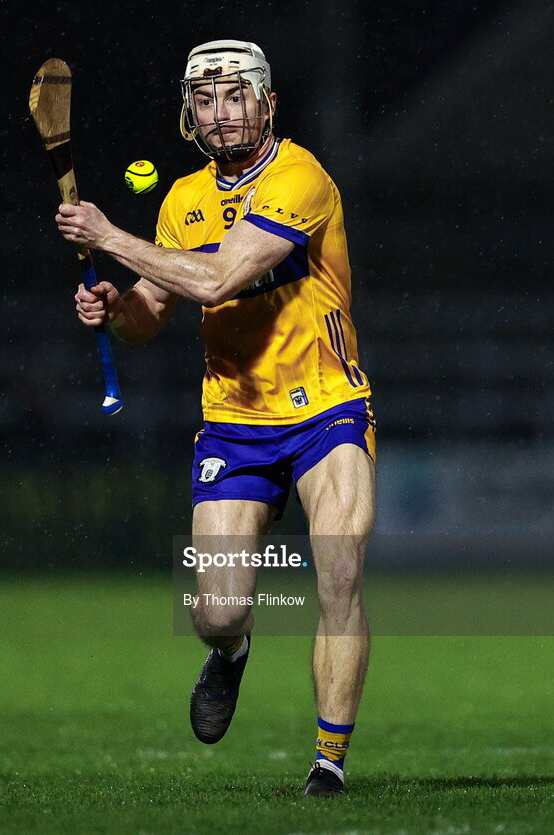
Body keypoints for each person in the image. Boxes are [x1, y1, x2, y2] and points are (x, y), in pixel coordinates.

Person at [58, 40, 375, 797]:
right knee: (216, 611)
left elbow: (220, 277)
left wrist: (106, 234)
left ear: (267, 104)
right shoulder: (181, 200)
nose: (222, 114)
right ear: (188, 113)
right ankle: (230, 654)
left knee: (338, 571)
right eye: (206, 100)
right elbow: (153, 312)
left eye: (236, 97)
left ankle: (328, 761)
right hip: (234, 421)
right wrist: (114, 309)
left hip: (328, 407)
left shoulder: (301, 176)